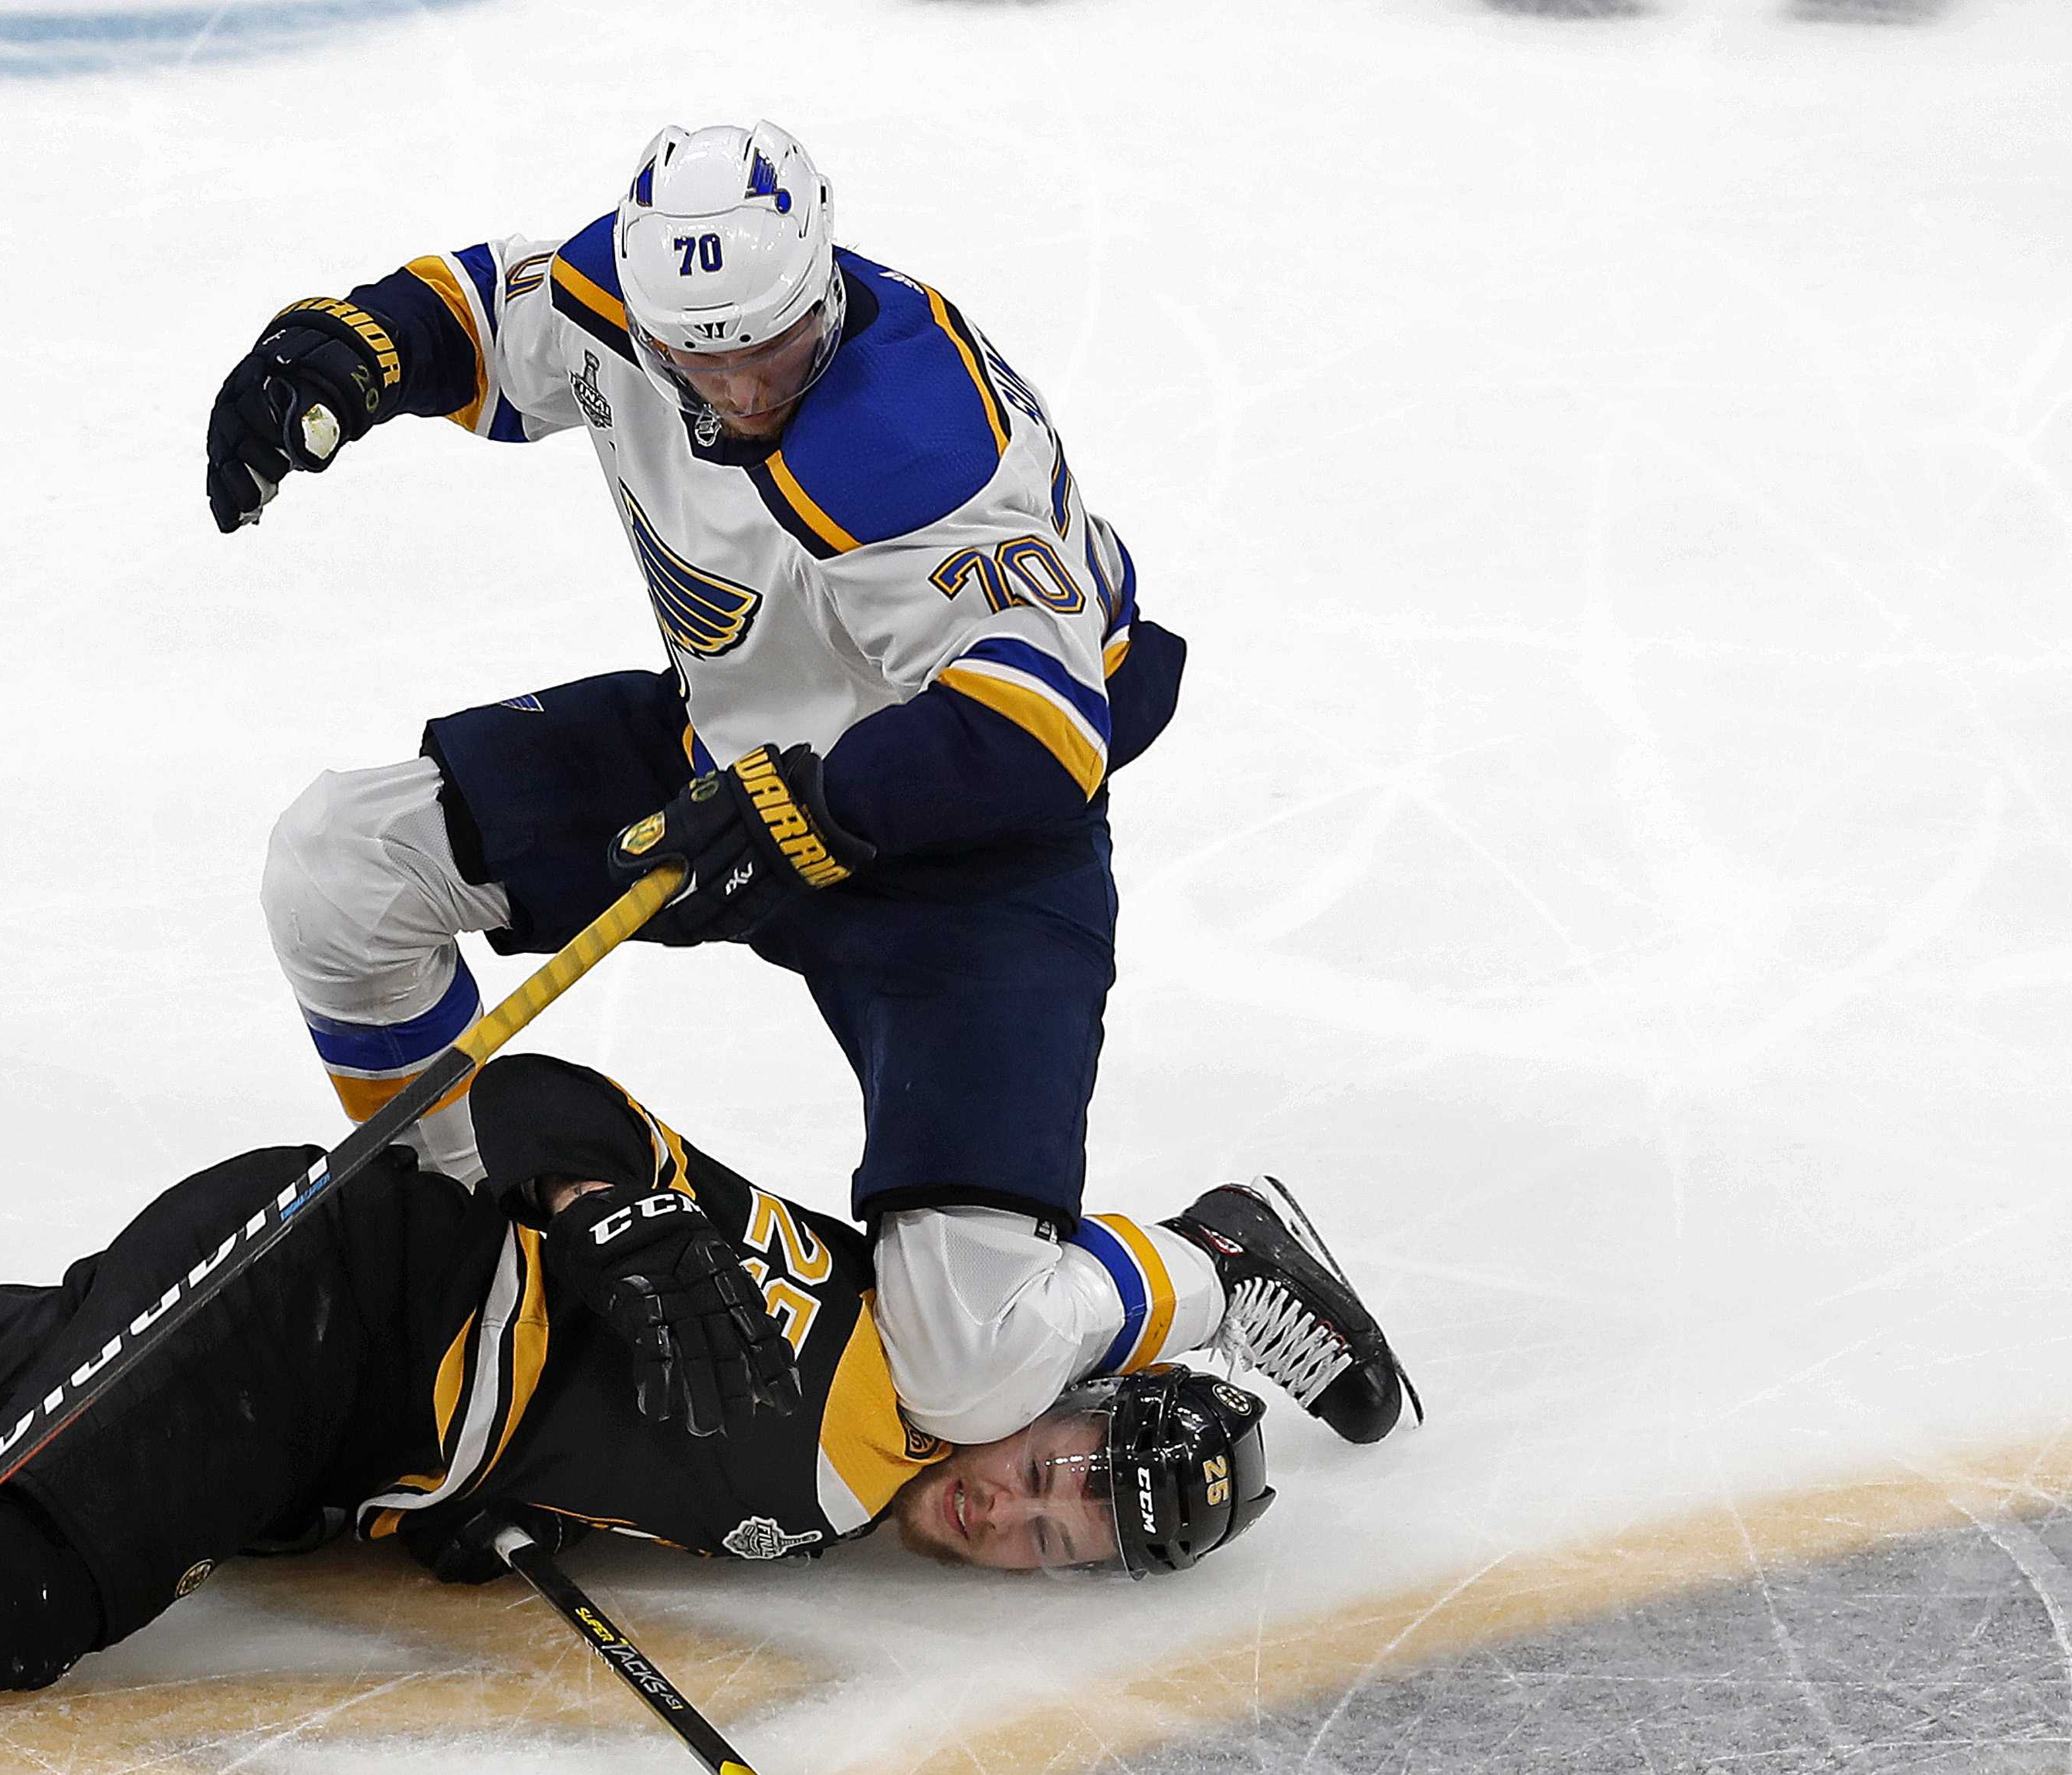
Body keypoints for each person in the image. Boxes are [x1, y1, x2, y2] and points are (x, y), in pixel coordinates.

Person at [0, 859, 1400, 1702]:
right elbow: (534, 1119)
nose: (1006, 1513)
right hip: (312, 1292)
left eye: (1052, 1548)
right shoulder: (889, 1361)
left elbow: (599, 1429)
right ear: (1057, 1390)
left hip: (321, 1404)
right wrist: (626, 1220)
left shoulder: (851, 1474)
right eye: (1058, 1475)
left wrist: (485, 1503)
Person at [212, 122, 1403, 1462]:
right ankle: (456, 1228)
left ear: (822, 276)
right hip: (727, 756)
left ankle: (1217, 1261)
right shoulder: (629, 303)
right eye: (697, 351)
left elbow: (1040, 732)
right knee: (341, 861)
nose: (737, 379)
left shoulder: (921, 441)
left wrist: (807, 811)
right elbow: (488, 313)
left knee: (963, 1370)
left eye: (770, 341)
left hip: (968, 855)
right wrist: (346, 352)